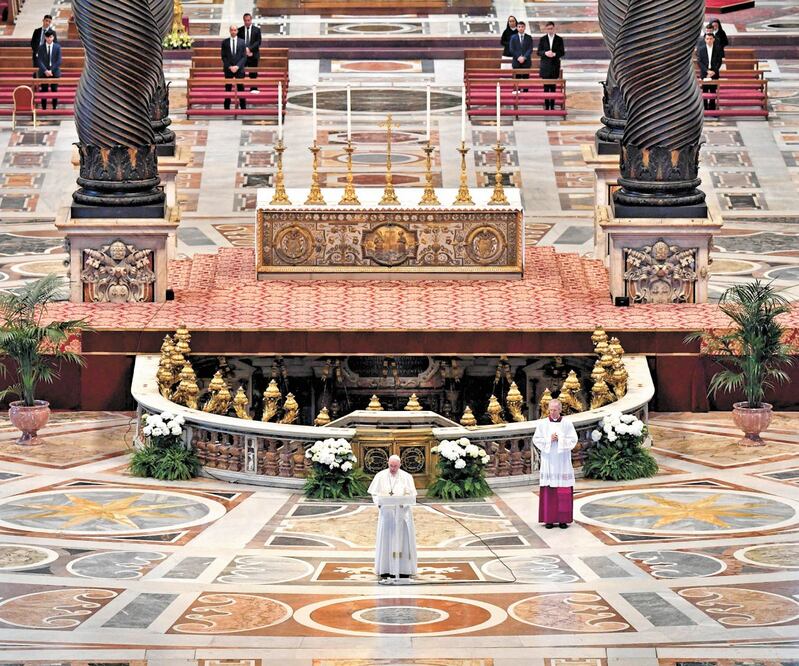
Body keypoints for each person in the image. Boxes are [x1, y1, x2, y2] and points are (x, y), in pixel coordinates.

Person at [368, 455, 417, 580]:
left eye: (395, 466)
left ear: (400, 465)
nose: (393, 468)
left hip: (402, 514)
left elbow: (412, 496)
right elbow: (375, 494)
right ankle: (385, 569)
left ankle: (404, 570)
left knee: (403, 541)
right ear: (387, 463)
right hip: (387, 514)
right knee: (387, 539)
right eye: (391, 466)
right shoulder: (380, 476)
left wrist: (403, 504)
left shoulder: (407, 477)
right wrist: (379, 503)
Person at [532, 398, 578, 529]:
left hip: (563, 461)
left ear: (560, 410)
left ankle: (563, 520)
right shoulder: (542, 424)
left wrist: (560, 439)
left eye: (555, 410)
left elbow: (573, 440)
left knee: (563, 490)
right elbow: (536, 439)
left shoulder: (567, 424)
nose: (552, 412)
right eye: (550, 410)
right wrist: (549, 439)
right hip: (549, 461)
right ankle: (549, 519)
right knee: (549, 490)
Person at [537, 21, 565, 111]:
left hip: (554, 66)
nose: (550, 30)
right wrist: (545, 53)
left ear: (554, 28)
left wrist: (555, 54)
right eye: (548, 29)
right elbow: (538, 52)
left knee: (553, 87)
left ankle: (552, 106)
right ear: (546, 29)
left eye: (551, 28)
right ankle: (546, 105)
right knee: (546, 87)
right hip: (545, 66)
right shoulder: (542, 39)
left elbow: (562, 52)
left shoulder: (559, 39)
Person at [221, 24, 247, 110]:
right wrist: (230, 67)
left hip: (239, 70)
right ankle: (226, 107)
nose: (233, 32)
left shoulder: (242, 42)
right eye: (232, 30)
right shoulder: (225, 42)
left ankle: (243, 107)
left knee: (241, 88)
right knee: (228, 88)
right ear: (229, 31)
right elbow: (223, 57)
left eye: (235, 30)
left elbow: (244, 56)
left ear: (237, 31)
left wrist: (237, 66)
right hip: (229, 70)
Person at [697, 33, 723, 110]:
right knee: (704, 91)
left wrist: (714, 71)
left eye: (711, 39)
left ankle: (712, 109)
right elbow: (699, 62)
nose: (709, 40)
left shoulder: (717, 49)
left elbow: (719, 61)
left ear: (713, 39)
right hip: (705, 74)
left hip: (714, 74)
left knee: (713, 91)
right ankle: (705, 109)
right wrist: (707, 71)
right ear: (705, 40)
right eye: (707, 39)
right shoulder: (701, 49)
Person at [37, 31, 61, 110]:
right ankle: (44, 107)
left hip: (54, 72)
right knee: (44, 90)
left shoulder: (57, 47)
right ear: (45, 38)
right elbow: (39, 61)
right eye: (47, 37)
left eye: (51, 37)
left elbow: (59, 61)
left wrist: (51, 70)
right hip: (44, 72)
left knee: (54, 90)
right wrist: (45, 71)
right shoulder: (41, 47)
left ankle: (54, 107)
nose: (49, 39)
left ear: (53, 37)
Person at [237, 13, 262, 92]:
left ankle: (253, 88)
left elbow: (258, 42)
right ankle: (240, 88)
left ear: (251, 20)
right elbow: (238, 42)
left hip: (253, 54)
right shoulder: (240, 30)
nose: (247, 22)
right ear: (243, 20)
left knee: (253, 73)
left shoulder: (257, 30)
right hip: (242, 55)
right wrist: (245, 50)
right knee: (241, 72)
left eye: (248, 20)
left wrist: (250, 49)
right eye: (245, 20)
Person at [509, 21, 533, 90]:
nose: (521, 28)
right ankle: (517, 95)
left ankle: (526, 95)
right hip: (516, 62)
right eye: (519, 27)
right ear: (517, 28)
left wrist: (524, 57)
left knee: (526, 80)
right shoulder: (513, 37)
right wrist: (519, 57)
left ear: (524, 27)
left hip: (526, 62)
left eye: (522, 27)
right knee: (517, 80)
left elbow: (530, 49)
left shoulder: (529, 37)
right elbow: (511, 49)